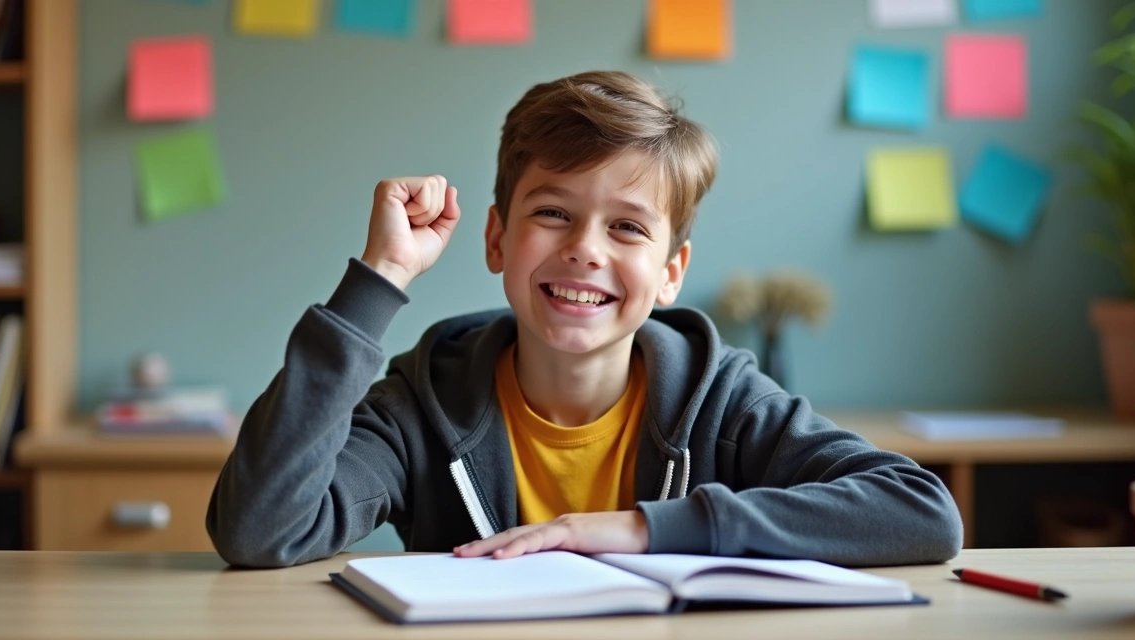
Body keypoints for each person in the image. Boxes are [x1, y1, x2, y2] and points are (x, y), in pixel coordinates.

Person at [206, 70, 962, 568]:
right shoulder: (419, 406)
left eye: (627, 228)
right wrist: (381, 278)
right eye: (553, 213)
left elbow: (920, 512)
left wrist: (636, 529)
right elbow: (259, 530)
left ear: (672, 272)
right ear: (497, 239)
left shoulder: (722, 398)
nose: (583, 250)